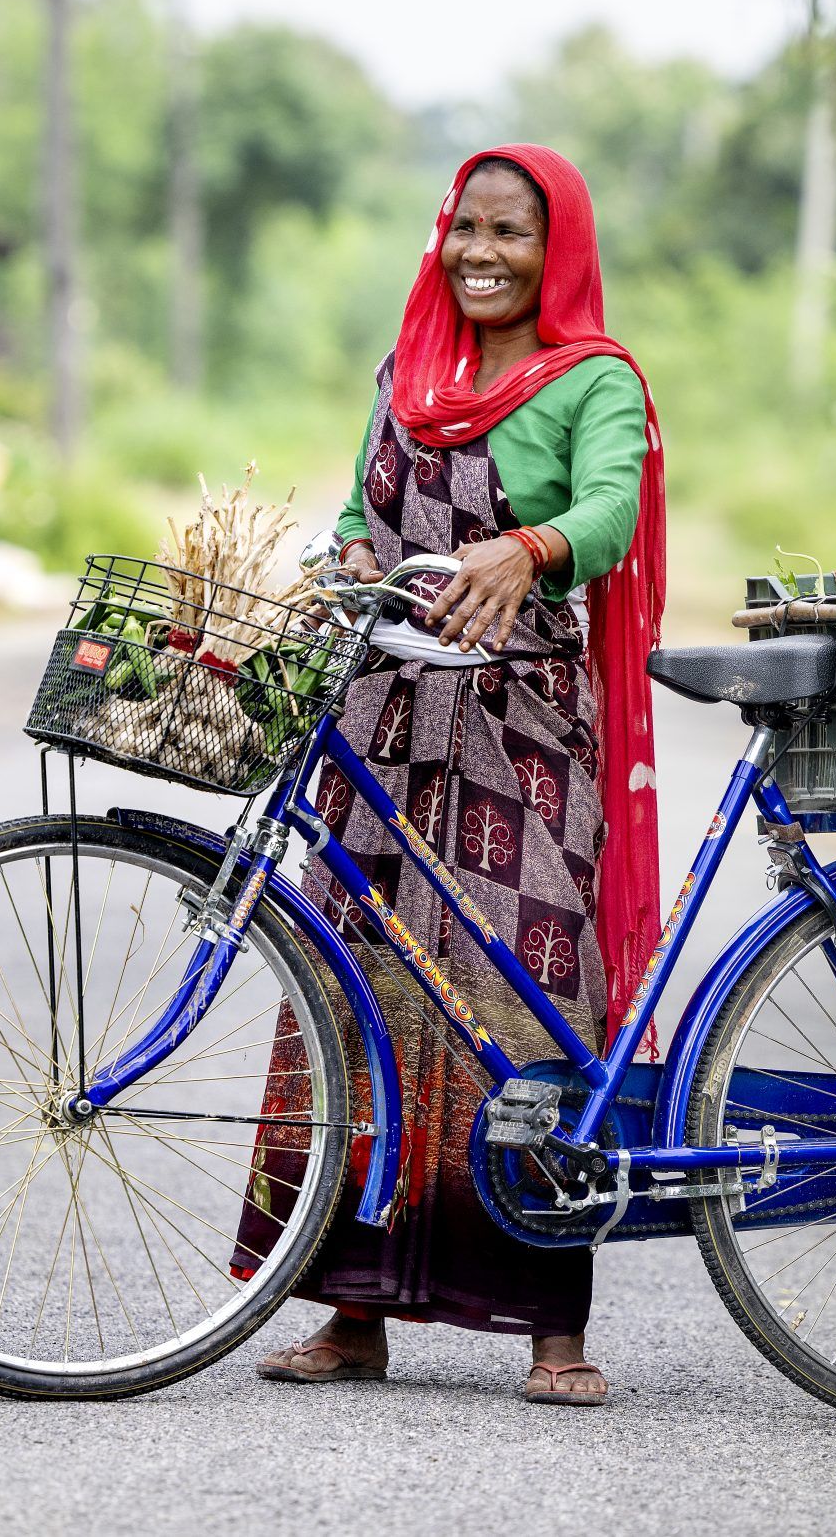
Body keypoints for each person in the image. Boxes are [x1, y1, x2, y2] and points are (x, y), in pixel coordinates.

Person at [241, 146, 667, 1407]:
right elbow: (360, 515)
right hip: (381, 718)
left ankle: (552, 1327)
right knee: (348, 992)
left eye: (512, 233)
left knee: (521, 1004)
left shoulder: (593, 383)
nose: (481, 253)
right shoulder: (408, 373)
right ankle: (348, 1314)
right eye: (465, 228)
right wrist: (338, 560)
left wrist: (529, 548)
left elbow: (612, 518)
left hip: (518, 725)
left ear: (560, 252)